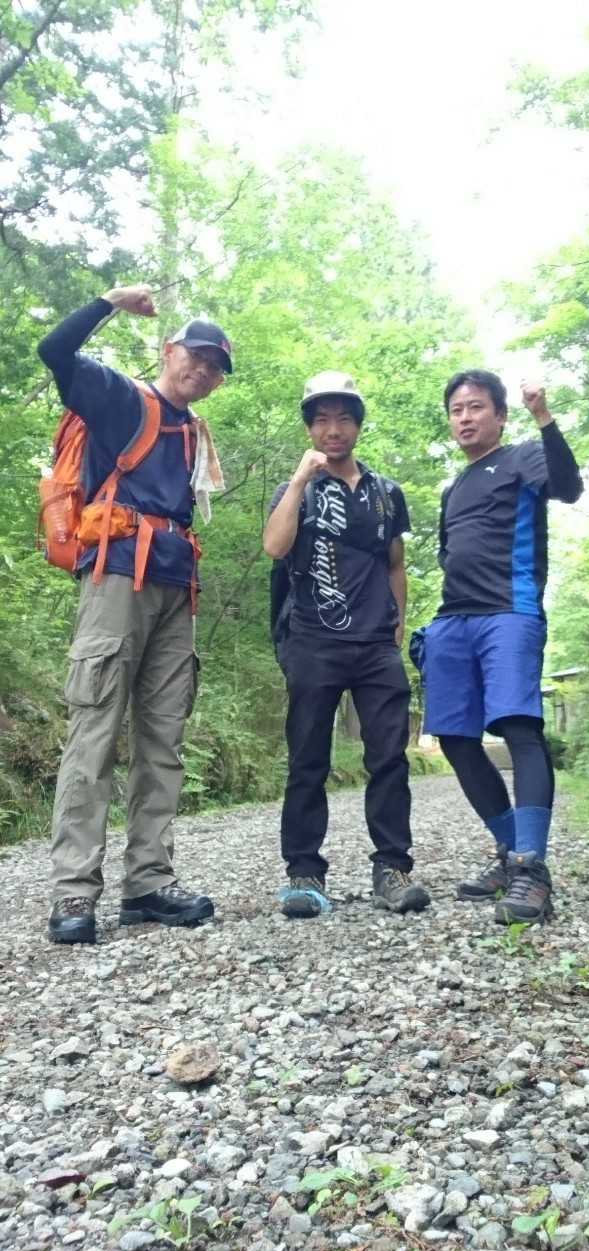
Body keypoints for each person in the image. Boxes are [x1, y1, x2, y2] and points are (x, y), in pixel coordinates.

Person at [39, 284, 232, 944]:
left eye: (215, 366)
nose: (203, 369)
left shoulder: (194, 432)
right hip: (118, 576)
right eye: (196, 355)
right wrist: (108, 302)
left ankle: (148, 882)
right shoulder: (123, 398)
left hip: (179, 588)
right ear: (170, 350)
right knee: (94, 729)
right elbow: (55, 350)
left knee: (163, 738)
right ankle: (74, 891)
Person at [264, 371, 430, 919]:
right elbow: (275, 547)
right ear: (310, 428)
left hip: (375, 643)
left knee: (389, 758)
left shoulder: (386, 493)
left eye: (342, 419)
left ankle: (392, 868)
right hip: (313, 640)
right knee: (307, 759)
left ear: (358, 425)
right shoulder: (298, 488)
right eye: (321, 420)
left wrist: (397, 621)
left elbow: (395, 562)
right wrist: (298, 481)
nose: (332, 429)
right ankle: (304, 873)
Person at [422, 370, 583, 924]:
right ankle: (511, 854)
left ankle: (531, 868)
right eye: (456, 409)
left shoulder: (522, 458)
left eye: (476, 407)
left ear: (500, 415)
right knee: (454, 736)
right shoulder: (453, 488)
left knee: (518, 727)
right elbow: (450, 555)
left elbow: (568, 487)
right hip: (453, 619)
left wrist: (545, 418)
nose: (465, 417)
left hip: (509, 611)